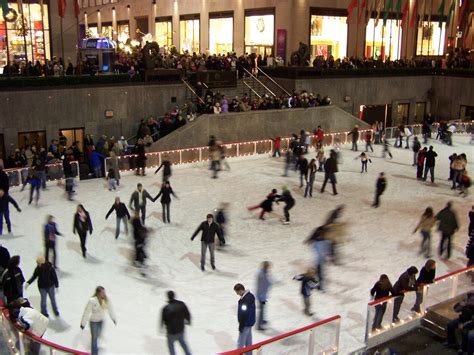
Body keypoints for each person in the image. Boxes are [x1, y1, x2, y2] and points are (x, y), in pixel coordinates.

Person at [80, 286, 117, 355]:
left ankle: (94, 344)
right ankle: (94, 353)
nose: (104, 293)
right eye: (102, 292)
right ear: (98, 293)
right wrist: (83, 323)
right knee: (94, 338)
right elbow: (86, 312)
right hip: (93, 322)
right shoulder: (92, 301)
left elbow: (110, 309)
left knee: (98, 335)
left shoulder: (106, 299)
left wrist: (113, 318)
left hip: (101, 321)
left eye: (104, 292)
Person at [160, 290, 192, 355]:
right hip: (180, 330)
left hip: (171, 332)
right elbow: (187, 314)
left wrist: (162, 327)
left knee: (171, 347)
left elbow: (163, 320)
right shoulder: (181, 304)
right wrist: (188, 321)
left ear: (168, 297)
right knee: (183, 343)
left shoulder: (166, 308)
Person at [233, 283, 256, 353]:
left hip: (245, 323)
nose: (237, 294)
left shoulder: (245, 300)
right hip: (250, 322)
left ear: (240, 290)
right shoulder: (250, 296)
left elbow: (244, 314)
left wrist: (241, 325)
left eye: (237, 292)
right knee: (248, 342)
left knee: (240, 343)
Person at [255, 261, 272, 330]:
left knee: (263, 308)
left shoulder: (261, 272)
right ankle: (259, 326)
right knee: (261, 309)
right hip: (261, 296)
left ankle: (262, 320)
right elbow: (267, 283)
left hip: (262, 294)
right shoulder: (262, 274)